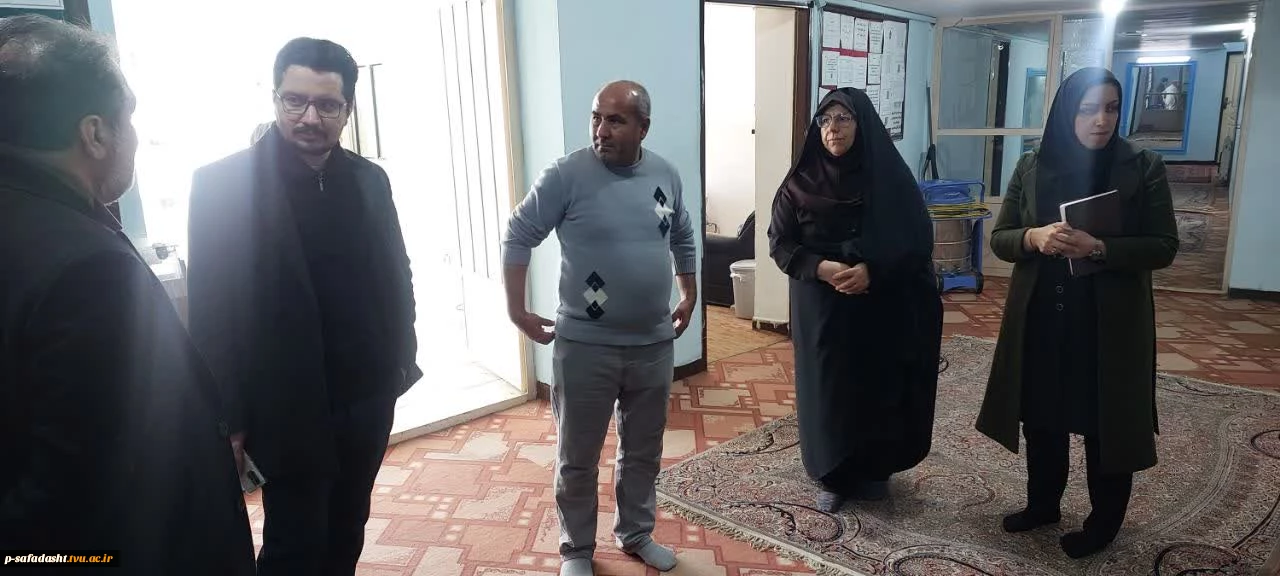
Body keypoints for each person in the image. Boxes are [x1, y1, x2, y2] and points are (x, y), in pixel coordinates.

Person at [0, 14, 254, 574]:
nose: (135, 137)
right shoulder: (85, 268)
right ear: (94, 134)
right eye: (130, 117)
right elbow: (74, 492)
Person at [186, 37, 422, 576]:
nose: (309, 118)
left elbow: (397, 272)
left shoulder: (369, 180)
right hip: (282, 407)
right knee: (294, 542)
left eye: (327, 105)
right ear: (275, 99)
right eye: (295, 101)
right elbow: (212, 314)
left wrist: (399, 361)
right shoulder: (223, 185)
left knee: (348, 527)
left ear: (348, 109)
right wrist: (229, 418)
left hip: (364, 398)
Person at [976, 67, 1179, 559]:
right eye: (1088, 109)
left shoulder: (1143, 166)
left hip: (1108, 323)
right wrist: (1033, 237)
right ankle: (1042, 504)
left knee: (1104, 421)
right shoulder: (1032, 165)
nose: (1101, 120)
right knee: (1042, 416)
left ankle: (1103, 523)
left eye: (1111, 108)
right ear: (1068, 111)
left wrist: (1099, 248)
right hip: (1043, 315)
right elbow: (1000, 239)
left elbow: (1164, 245)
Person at [502, 80, 696, 576]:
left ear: (643, 128)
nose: (601, 130)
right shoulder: (566, 175)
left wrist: (689, 291)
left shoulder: (666, 174)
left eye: (615, 120)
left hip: (653, 343)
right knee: (578, 455)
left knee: (643, 451)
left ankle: (635, 533)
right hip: (585, 346)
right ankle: (576, 550)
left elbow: (681, 234)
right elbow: (518, 234)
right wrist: (516, 309)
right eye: (596, 118)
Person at [767, 88, 943, 512]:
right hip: (822, 310)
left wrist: (872, 270)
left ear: (862, 124)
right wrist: (822, 268)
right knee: (828, 390)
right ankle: (832, 474)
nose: (833, 129)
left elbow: (916, 240)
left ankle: (874, 470)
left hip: (879, 306)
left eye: (843, 118)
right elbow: (780, 243)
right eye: (825, 120)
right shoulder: (798, 183)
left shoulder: (890, 180)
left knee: (877, 386)